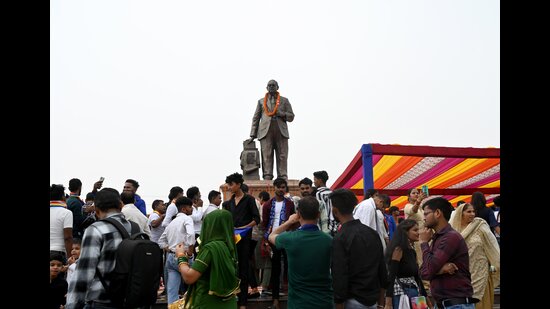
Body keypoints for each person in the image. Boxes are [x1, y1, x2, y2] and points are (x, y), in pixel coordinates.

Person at [66, 187, 144, 309]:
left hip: (102, 299)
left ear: (96, 210)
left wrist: (73, 305)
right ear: (120, 205)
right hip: (131, 298)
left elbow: (84, 273)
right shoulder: (135, 228)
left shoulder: (96, 229)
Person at [268, 196, 334, 309]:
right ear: (318, 214)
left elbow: (271, 236)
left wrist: (289, 222)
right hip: (324, 302)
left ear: (298, 214)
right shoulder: (329, 240)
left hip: (298, 303)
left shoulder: (290, 239)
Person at [330, 189, 387, 309]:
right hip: (373, 301)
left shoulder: (340, 238)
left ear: (335, 210)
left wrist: (339, 303)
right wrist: (381, 304)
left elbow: (339, 275)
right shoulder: (372, 233)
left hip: (352, 301)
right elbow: (382, 269)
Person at [173, 209, 240, 309]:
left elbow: (189, 277)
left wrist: (181, 256)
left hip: (207, 303)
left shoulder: (210, 248)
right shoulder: (229, 247)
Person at [419, 197, 476, 309]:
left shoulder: (450, 237)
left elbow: (429, 271)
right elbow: (422, 272)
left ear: (437, 213)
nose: (424, 218)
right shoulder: (437, 238)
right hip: (444, 304)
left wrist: (424, 243)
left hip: (456, 304)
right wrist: (440, 270)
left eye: (426, 214)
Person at [449, 203, 500, 309]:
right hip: (462, 274)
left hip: (481, 272)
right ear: (460, 213)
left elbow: (492, 245)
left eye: (473, 211)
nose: (472, 214)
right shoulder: (454, 229)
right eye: (468, 212)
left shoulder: (480, 225)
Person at [222, 172, 261, 309]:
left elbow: (257, 219)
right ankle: (232, 299)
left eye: (231, 184)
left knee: (244, 269)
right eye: (228, 184)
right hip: (231, 240)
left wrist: (244, 228)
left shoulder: (249, 200)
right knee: (232, 269)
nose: (229, 187)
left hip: (245, 240)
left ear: (238, 184)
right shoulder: (227, 203)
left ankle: (243, 302)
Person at [249, 79, 295, 180]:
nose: (271, 87)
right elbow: (256, 118)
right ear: (266, 88)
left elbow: (291, 116)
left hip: (280, 131)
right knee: (266, 155)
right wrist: (253, 134)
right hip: (265, 131)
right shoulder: (261, 101)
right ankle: (267, 176)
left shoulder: (284, 100)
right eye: (269, 85)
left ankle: (282, 176)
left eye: (273, 85)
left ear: (277, 87)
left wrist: (282, 113)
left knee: (282, 155)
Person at [262, 178, 296, 308]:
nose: (281, 189)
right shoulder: (268, 204)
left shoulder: (289, 204)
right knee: (275, 270)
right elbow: (264, 223)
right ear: (274, 187)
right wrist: (265, 241)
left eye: (283, 187)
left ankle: (290, 295)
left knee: (290, 268)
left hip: (287, 238)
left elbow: (292, 220)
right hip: (273, 239)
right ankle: (275, 299)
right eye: (279, 187)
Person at [384, 219, 431, 309]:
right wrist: (388, 302)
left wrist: (428, 302)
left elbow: (417, 278)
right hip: (402, 295)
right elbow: (391, 276)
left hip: (414, 293)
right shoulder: (399, 250)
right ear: (405, 232)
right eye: (415, 230)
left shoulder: (412, 251)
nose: (418, 233)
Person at [50, 184, 73, 265]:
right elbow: (68, 237)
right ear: (63, 197)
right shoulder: (67, 213)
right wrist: (70, 258)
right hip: (59, 253)